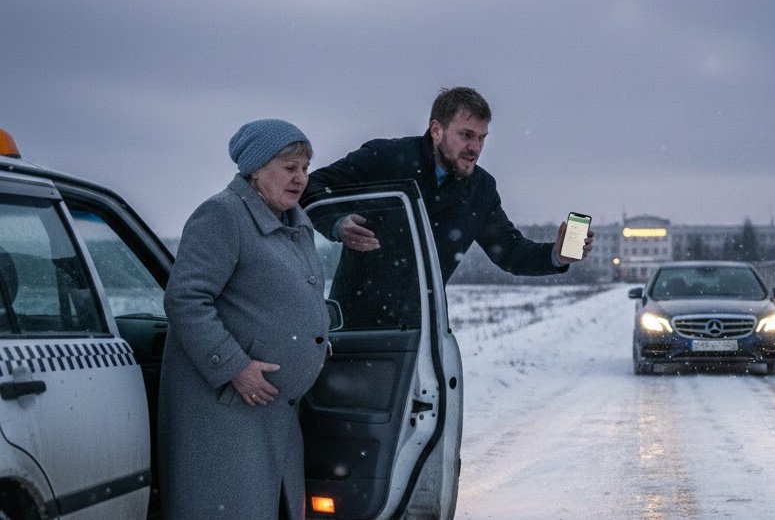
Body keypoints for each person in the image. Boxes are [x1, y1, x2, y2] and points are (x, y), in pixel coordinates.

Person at [159, 119, 330, 520]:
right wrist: (236, 367)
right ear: (255, 168)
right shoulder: (222, 215)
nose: (300, 179)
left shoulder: (294, 224)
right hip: (228, 414)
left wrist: (316, 341)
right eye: (289, 168)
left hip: (274, 414)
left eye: (304, 168)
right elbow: (186, 298)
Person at [303, 86, 593, 299]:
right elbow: (311, 187)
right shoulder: (385, 158)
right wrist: (337, 224)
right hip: (357, 324)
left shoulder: (481, 189)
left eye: (481, 138)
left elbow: (511, 252)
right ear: (436, 130)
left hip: (426, 330)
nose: (476, 148)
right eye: (466, 135)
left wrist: (557, 255)